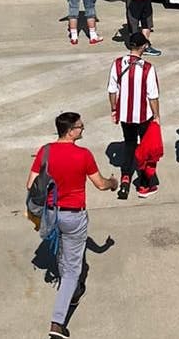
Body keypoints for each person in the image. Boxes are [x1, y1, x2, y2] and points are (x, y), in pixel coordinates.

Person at [26, 112, 119, 339]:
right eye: (80, 126)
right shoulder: (83, 155)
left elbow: (30, 184)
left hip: (51, 215)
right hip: (74, 217)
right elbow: (100, 184)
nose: (82, 129)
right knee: (72, 269)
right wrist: (113, 182)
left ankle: (73, 290)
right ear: (70, 131)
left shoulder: (45, 151)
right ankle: (58, 322)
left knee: (63, 253)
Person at [107, 32, 161, 199]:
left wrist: (114, 109)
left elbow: (112, 90)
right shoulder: (147, 68)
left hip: (125, 115)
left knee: (129, 144)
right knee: (145, 149)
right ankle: (144, 184)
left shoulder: (117, 64)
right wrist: (157, 115)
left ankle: (125, 180)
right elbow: (153, 95)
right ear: (144, 46)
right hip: (144, 116)